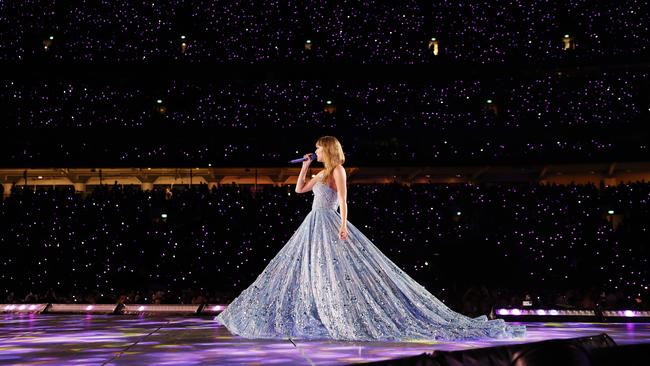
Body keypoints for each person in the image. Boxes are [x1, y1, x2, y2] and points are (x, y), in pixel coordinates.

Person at [217, 136, 525, 341]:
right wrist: (306, 166)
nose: (316, 151)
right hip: (311, 223)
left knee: (333, 272)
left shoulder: (338, 171)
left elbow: (345, 200)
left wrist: (343, 224)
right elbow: (299, 190)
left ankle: (341, 315)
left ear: (329, 149)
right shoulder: (321, 172)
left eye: (318, 149)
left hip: (328, 221)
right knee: (313, 270)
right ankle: (326, 312)